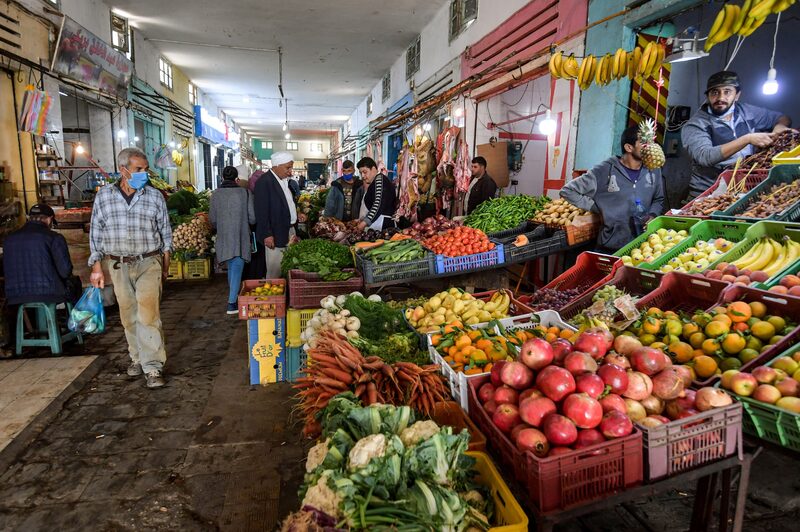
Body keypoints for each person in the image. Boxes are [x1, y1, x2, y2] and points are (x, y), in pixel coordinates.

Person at [89, 147, 173, 389]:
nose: (144, 174)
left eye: (146, 170)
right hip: (118, 263)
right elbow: (96, 233)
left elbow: (165, 235)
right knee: (128, 316)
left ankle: (153, 366)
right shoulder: (104, 197)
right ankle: (137, 358)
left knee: (148, 315)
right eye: (139, 169)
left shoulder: (154, 196)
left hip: (149, 261)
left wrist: (165, 266)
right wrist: (96, 267)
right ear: (123, 170)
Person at [681, 70, 792, 201]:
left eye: (727, 91)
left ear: (737, 95)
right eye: (715, 92)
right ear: (708, 95)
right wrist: (748, 138)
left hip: (741, 190)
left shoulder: (747, 112)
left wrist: (780, 126)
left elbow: (782, 117)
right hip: (706, 194)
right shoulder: (696, 124)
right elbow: (706, 156)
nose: (721, 98)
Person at [560, 125, 664, 254]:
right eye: (643, 142)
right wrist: (598, 208)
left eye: (651, 141)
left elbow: (659, 198)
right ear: (629, 147)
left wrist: (653, 214)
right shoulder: (603, 170)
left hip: (644, 247)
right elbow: (568, 191)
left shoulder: (654, 169)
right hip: (611, 246)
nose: (649, 146)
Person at [4, 204, 81, 306]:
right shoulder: (54, 238)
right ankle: (73, 320)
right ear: (49, 219)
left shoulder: (9, 239)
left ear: (29, 218)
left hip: (14, 296)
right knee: (75, 284)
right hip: (49, 294)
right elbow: (65, 271)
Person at [210, 166, 255, 315]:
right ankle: (231, 303)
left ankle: (233, 298)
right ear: (237, 179)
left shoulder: (215, 194)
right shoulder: (245, 193)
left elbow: (213, 219)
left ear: (222, 178)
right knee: (236, 268)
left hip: (224, 237)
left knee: (232, 268)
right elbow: (252, 218)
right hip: (240, 235)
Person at [254, 151, 298, 279]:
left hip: (288, 230)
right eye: (287, 167)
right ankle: (274, 297)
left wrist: (296, 213)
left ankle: (286, 295)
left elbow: (286, 202)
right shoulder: (265, 182)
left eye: (291, 167)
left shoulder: (283, 180)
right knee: (275, 269)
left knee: (287, 266)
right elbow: (261, 211)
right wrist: (267, 234)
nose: (290, 171)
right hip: (275, 233)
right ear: (276, 165)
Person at [354, 157, 396, 230]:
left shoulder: (380, 180)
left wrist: (364, 223)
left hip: (382, 225)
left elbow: (378, 204)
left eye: (365, 172)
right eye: (361, 173)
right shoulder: (375, 182)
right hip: (377, 223)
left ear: (373, 169)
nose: (363, 176)